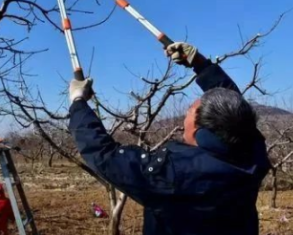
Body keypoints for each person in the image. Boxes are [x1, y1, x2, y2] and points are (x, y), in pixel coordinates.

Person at [68, 42, 271, 235]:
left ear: (201, 130)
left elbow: (105, 155)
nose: (185, 117)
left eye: (190, 112)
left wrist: (78, 101)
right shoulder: (251, 154)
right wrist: (200, 63)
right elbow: (235, 108)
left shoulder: (174, 173)